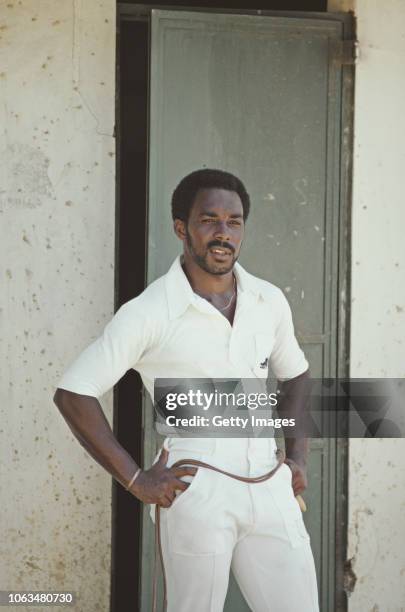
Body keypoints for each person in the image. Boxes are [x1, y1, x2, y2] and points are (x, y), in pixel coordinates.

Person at [54, 169, 319, 612]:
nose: (222, 233)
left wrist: (297, 457)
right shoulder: (149, 312)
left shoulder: (268, 300)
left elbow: (295, 375)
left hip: (271, 484)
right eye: (208, 220)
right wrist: (136, 479)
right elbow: (74, 393)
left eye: (234, 222)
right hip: (197, 489)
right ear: (181, 228)